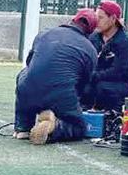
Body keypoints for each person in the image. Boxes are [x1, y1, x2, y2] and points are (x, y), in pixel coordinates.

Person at [14, 9, 98, 145]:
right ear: (91, 31)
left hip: (29, 90)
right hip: (60, 94)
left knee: (23, 75)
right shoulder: (90, 50)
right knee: (79, 128)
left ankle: (22, 127)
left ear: (73, 20)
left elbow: (30, 62)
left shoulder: (44, 33)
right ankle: (54, 127)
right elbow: (84, 84)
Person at [83, 0, 128, 112]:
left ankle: (111, 117)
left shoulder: (126, 43)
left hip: (119, 84)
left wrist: (93, 76)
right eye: (96, 17)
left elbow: (118, 71)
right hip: (95, 80)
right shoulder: (93, 38)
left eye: (101, 17)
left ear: (113, 19)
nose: (96, 21)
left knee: (101, 88)